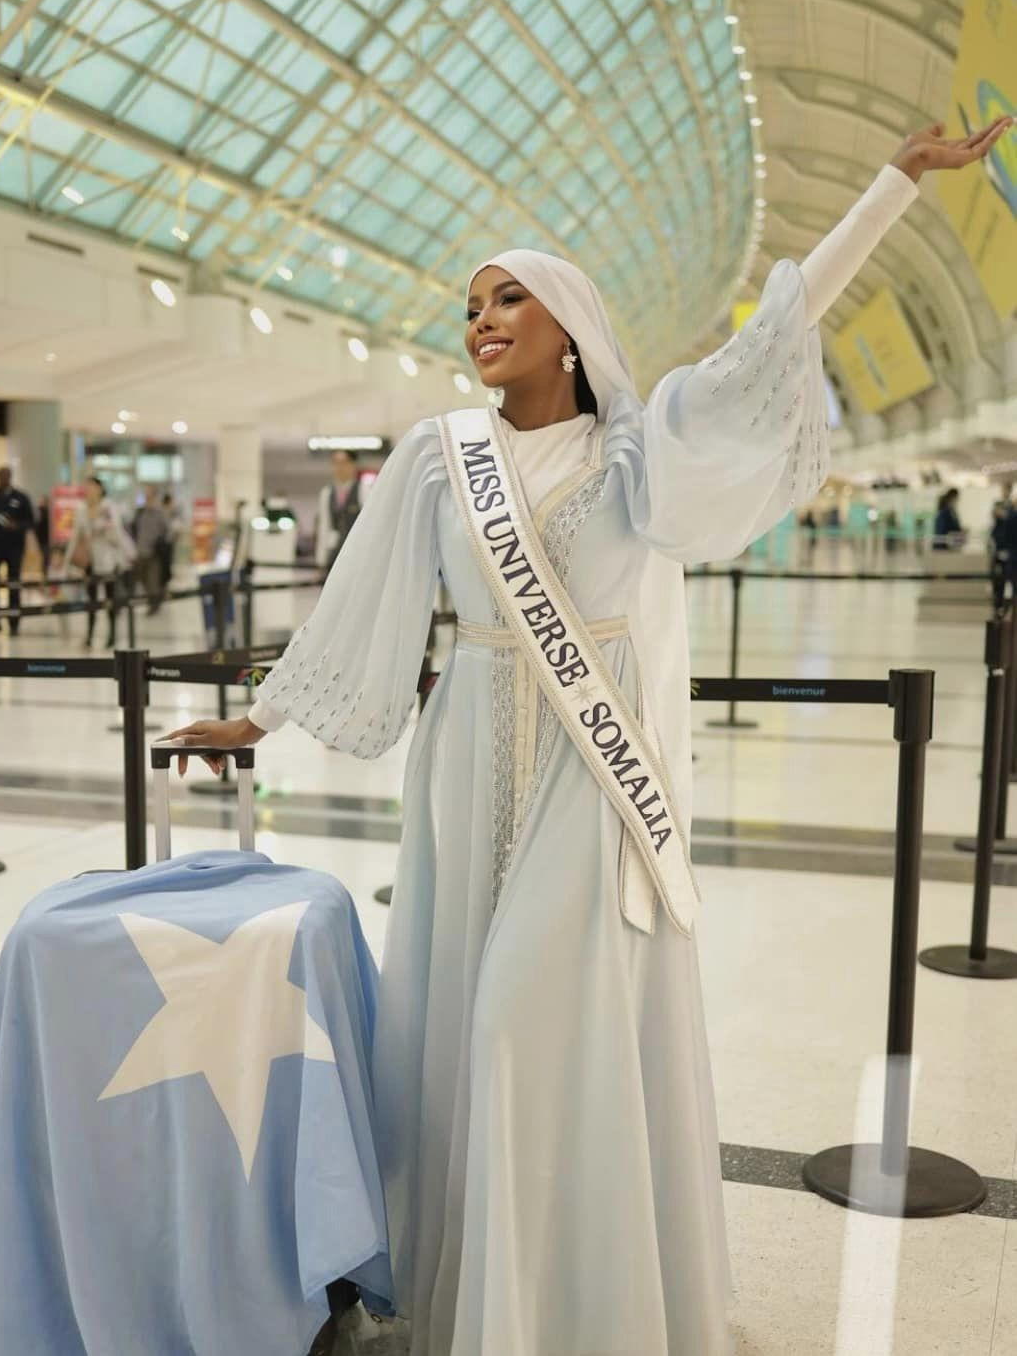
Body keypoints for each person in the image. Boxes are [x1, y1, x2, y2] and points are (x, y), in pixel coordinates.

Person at [165, 117, 1012, 1355]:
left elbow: (775, 335)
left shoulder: (638, 452)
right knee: (464, 1031)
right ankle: (494, 1308)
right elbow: (364, 604)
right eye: (471, 306)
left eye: (511, 298)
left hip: (594, 778)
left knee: (524, 1023)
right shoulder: (435, 458)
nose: (484, 319)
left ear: (569, 325)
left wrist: (892, 183)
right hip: (468, 757)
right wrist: (260, 714)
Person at [62, 477, 136, 649]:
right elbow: (76, 536)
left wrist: (103, 529)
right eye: (87, 486)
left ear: (100, 489)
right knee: (91, 599)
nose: (89, 490)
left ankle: (112, 636)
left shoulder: (108, 507)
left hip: (108, 559)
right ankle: (89, 636)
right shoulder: (81, 508)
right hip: (89, 560)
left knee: (110, 598)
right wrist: (68, 560)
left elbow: (116, 533)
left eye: (92, 486)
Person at [0, 468, 34, 636]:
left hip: (14, 547)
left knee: (13, 583)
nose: (3, 479)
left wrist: (17, 526)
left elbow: (30, 521)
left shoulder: (21, 497)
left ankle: (14, 622)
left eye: (6, 476)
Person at [315, 449, 369, 569]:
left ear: (353, 465)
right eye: (335, 463)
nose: (340, 467)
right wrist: (320, 560)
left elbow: (369, 524)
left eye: (344, 462)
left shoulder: (363, 489)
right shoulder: (327, 493)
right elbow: (324, 526)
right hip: (334, 553)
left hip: (357, 553)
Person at [131, 488, 169, 614]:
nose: (148, 500)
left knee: (153, 580)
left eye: (150, 497)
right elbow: (135, 530)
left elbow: (167, 531)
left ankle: (154, 605)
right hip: (141, 552)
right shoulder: (140, 513)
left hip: (154, 553)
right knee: (143, 579)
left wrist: (161, 544)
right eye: (146, 497)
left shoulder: (160, 514)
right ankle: (153, 600)